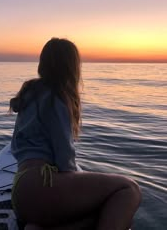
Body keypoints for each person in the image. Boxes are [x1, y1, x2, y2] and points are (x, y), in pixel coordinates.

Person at [10, 38, 141, 230]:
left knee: (109, 214)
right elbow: (64, 159)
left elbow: (15, 146)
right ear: (71, 67)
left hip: (21, 192)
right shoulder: (56, 97)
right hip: (43, 186)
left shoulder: (29, 94)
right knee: (129, 189)